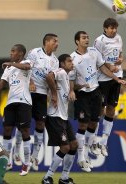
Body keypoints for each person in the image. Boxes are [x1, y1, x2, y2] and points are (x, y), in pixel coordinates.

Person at [69, 31, 126, 172]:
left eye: (87, 37)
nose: (87, 39)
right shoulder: (73, 58)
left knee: (94, 123)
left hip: (95, 92)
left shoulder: (94, 52)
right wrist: (72, 90)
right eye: (84, 38)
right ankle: (81, 157)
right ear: (77, 41)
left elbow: (103, 68)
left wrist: (116, 78)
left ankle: (87, 153)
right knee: (83, 124)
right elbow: (71, 79)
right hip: (82, 94)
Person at [0, 44, 34, 176]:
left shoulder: (26, 62)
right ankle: (8, 161)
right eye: (11, 51)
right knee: (7, 130)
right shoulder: (8, 69)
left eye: (13, 51)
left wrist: (11, 64)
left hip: (24, 102)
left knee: (25, 131)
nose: (11, 53)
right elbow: (0, 86)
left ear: (20, 53)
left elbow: (26, 67)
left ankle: (27, 163)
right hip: (10, 103)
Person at [24, 33, 59, 171]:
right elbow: (26, 69)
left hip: (42, 94)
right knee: (24, 123)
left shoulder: (55, 61)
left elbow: (52, 80)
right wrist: (31, 81)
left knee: (41, 123)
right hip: (29, 92)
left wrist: (53, 95)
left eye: (57, 41)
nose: (57, 44)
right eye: (55, 41)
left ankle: (35, 156)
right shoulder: (34, 52)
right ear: (47, 42)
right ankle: (16, 154)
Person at [42, 54, 77, 184]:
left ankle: (64, 178)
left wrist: (72, 91)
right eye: (69, 61)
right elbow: (49, 75)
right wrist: (54, 94)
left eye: (72, 61)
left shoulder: (66, 77)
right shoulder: (61, 71)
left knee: (74, 145)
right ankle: (47, 177)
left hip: (63, 117)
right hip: (54, 116)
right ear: (62, 64)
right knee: (66, 147)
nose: (72, 63)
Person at [94, 17, 125, 157]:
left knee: (111, 109)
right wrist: (109, 66)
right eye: (111, 28)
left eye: (115, 28)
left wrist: (120, 60)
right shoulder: (99, 40)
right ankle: (94, 139)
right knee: (100, 109)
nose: (114, 30)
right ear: (105, 28)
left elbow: (120, 54)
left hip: (117, 76)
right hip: (103, 78)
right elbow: (97, 59)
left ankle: (104, 142)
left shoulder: (118, 38)